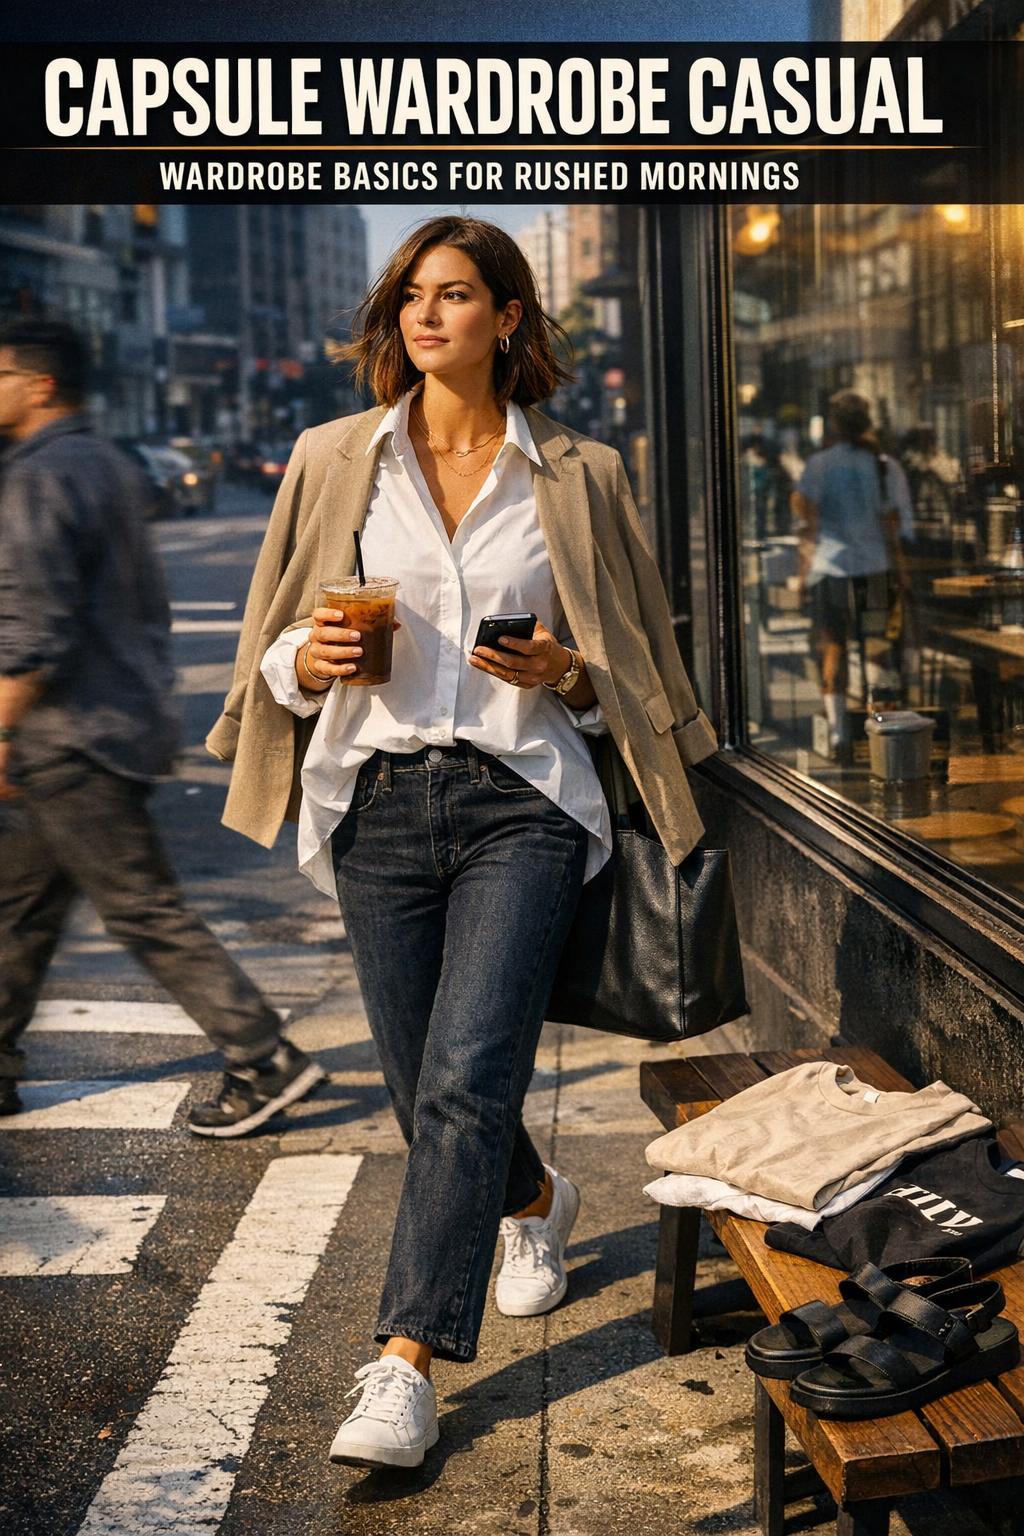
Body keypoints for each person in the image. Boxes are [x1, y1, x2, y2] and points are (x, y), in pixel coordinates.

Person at [209, 216, 718, 1469]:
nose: (428, 315)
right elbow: (275, 636)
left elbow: (639, 656)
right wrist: (306, 659)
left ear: (505, 317)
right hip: (376, 801)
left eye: (457, 295)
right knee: (419, 1080)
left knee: (465, 1073)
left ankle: (405, 1363)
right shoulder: (336, 459)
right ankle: (536, 1199)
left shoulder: (577, 472)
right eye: (412, 297)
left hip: (523, 802)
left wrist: (569, 671)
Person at [0, 318, 324, 1136]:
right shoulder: (105, 463)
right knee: (19, 905)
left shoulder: (38, 478)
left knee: (141, 907)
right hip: (119, 719)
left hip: (71, 733)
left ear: (39, 385)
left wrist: (1, 729)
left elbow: (33, 626)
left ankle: (263, 1056)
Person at [792, 390, 914, 751]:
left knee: (832, 648)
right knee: (877, 651)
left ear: (834, 424)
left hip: (830, 570)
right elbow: (895, 526)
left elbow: (808, 524)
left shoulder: (820, 465)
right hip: (876, 570)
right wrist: (902, 571)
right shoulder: (884, 466)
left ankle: (839, 734)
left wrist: (802, 575)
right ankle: (882, 731)